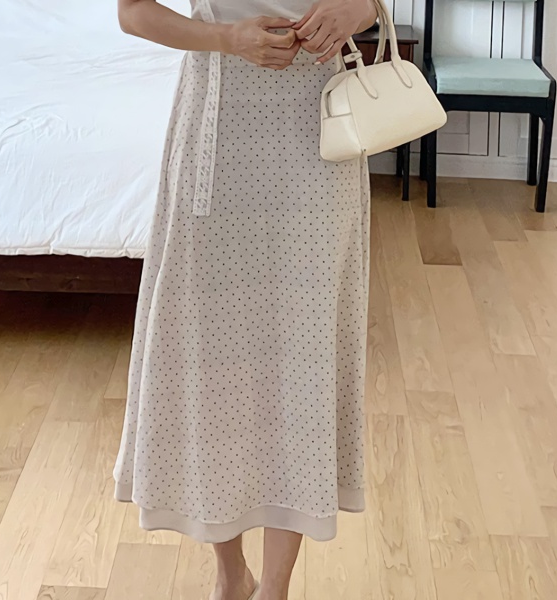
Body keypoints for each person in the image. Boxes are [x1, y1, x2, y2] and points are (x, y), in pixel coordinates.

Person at [112, 1, 377, 598]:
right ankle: (231, 575)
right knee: (216, 363)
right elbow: (132, 12)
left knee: (303, 360)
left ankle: (275, 589)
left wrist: (359, 8)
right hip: (218, 133)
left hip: (321, 134)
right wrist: (226, 38)